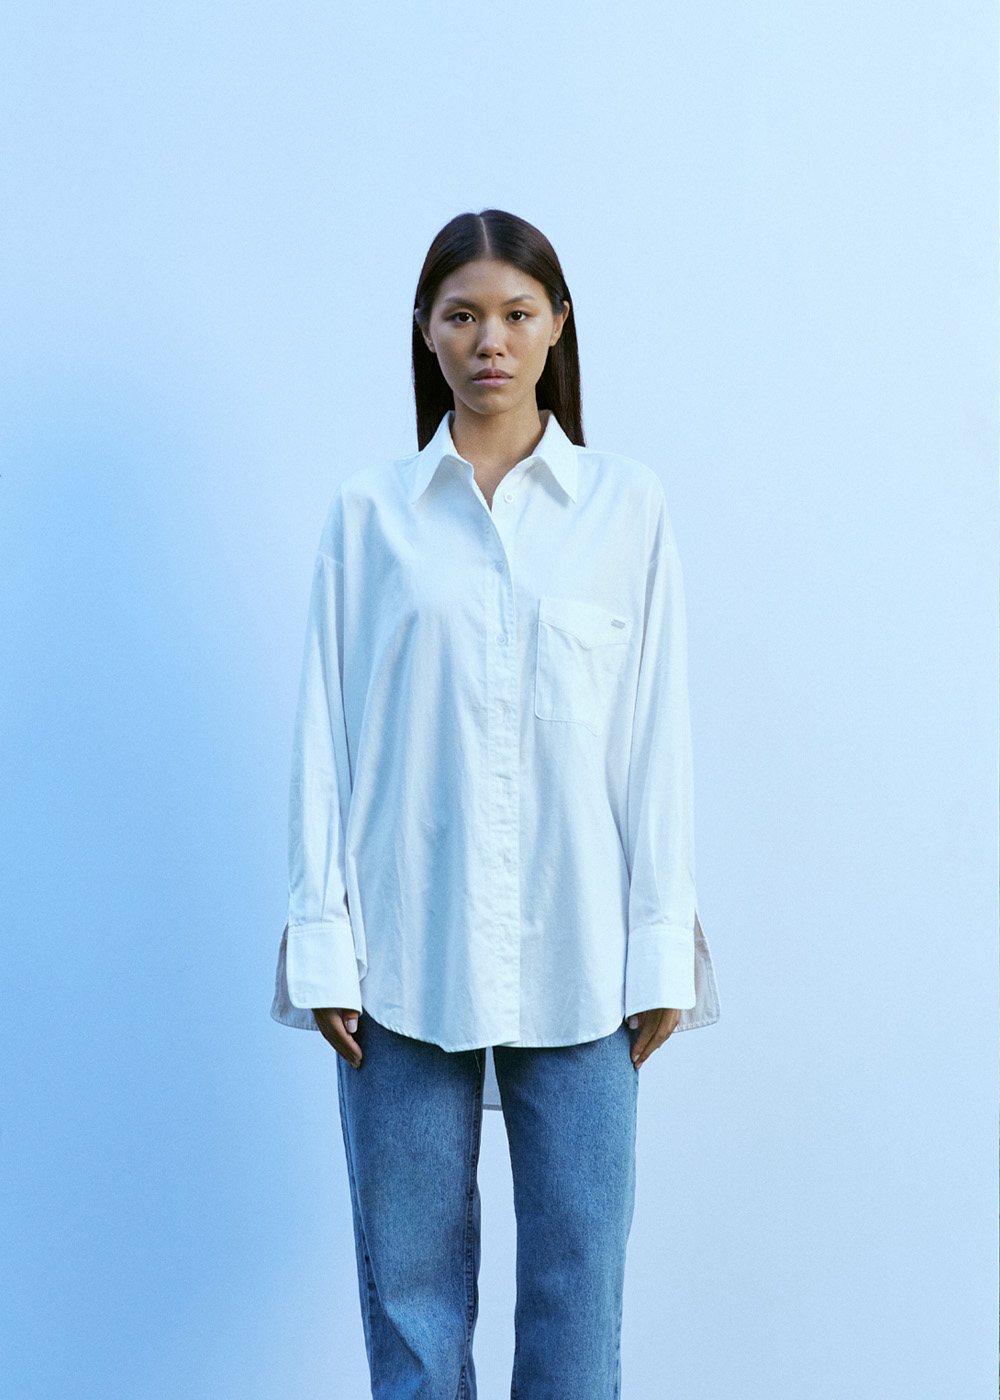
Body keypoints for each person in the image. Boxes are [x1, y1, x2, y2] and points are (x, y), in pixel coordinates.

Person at [271, 207, 721, 1400]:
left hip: (582, 958)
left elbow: (656, 737)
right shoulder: (370, 517)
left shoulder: (626, 507)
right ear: (425, 330)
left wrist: (660, 944)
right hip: (399, 957)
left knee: (580, 1296)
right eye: (462, 314)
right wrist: (321, 941)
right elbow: (325, 736)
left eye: (517, 313)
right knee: (411, 1309)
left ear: (557, 325)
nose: (491, 341)